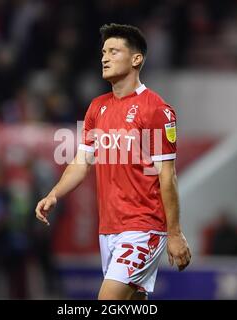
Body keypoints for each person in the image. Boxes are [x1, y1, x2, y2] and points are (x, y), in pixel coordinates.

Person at [35, 23, 191, 300]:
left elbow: (168, 176)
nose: (104, 57)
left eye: (114, 51)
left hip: (143, 227)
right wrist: (54, 194)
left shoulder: (156, 110)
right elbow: (81, 162)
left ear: (136, 59)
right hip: (108, 230)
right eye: (103, 52)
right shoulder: (97, 107)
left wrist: (175, 233)